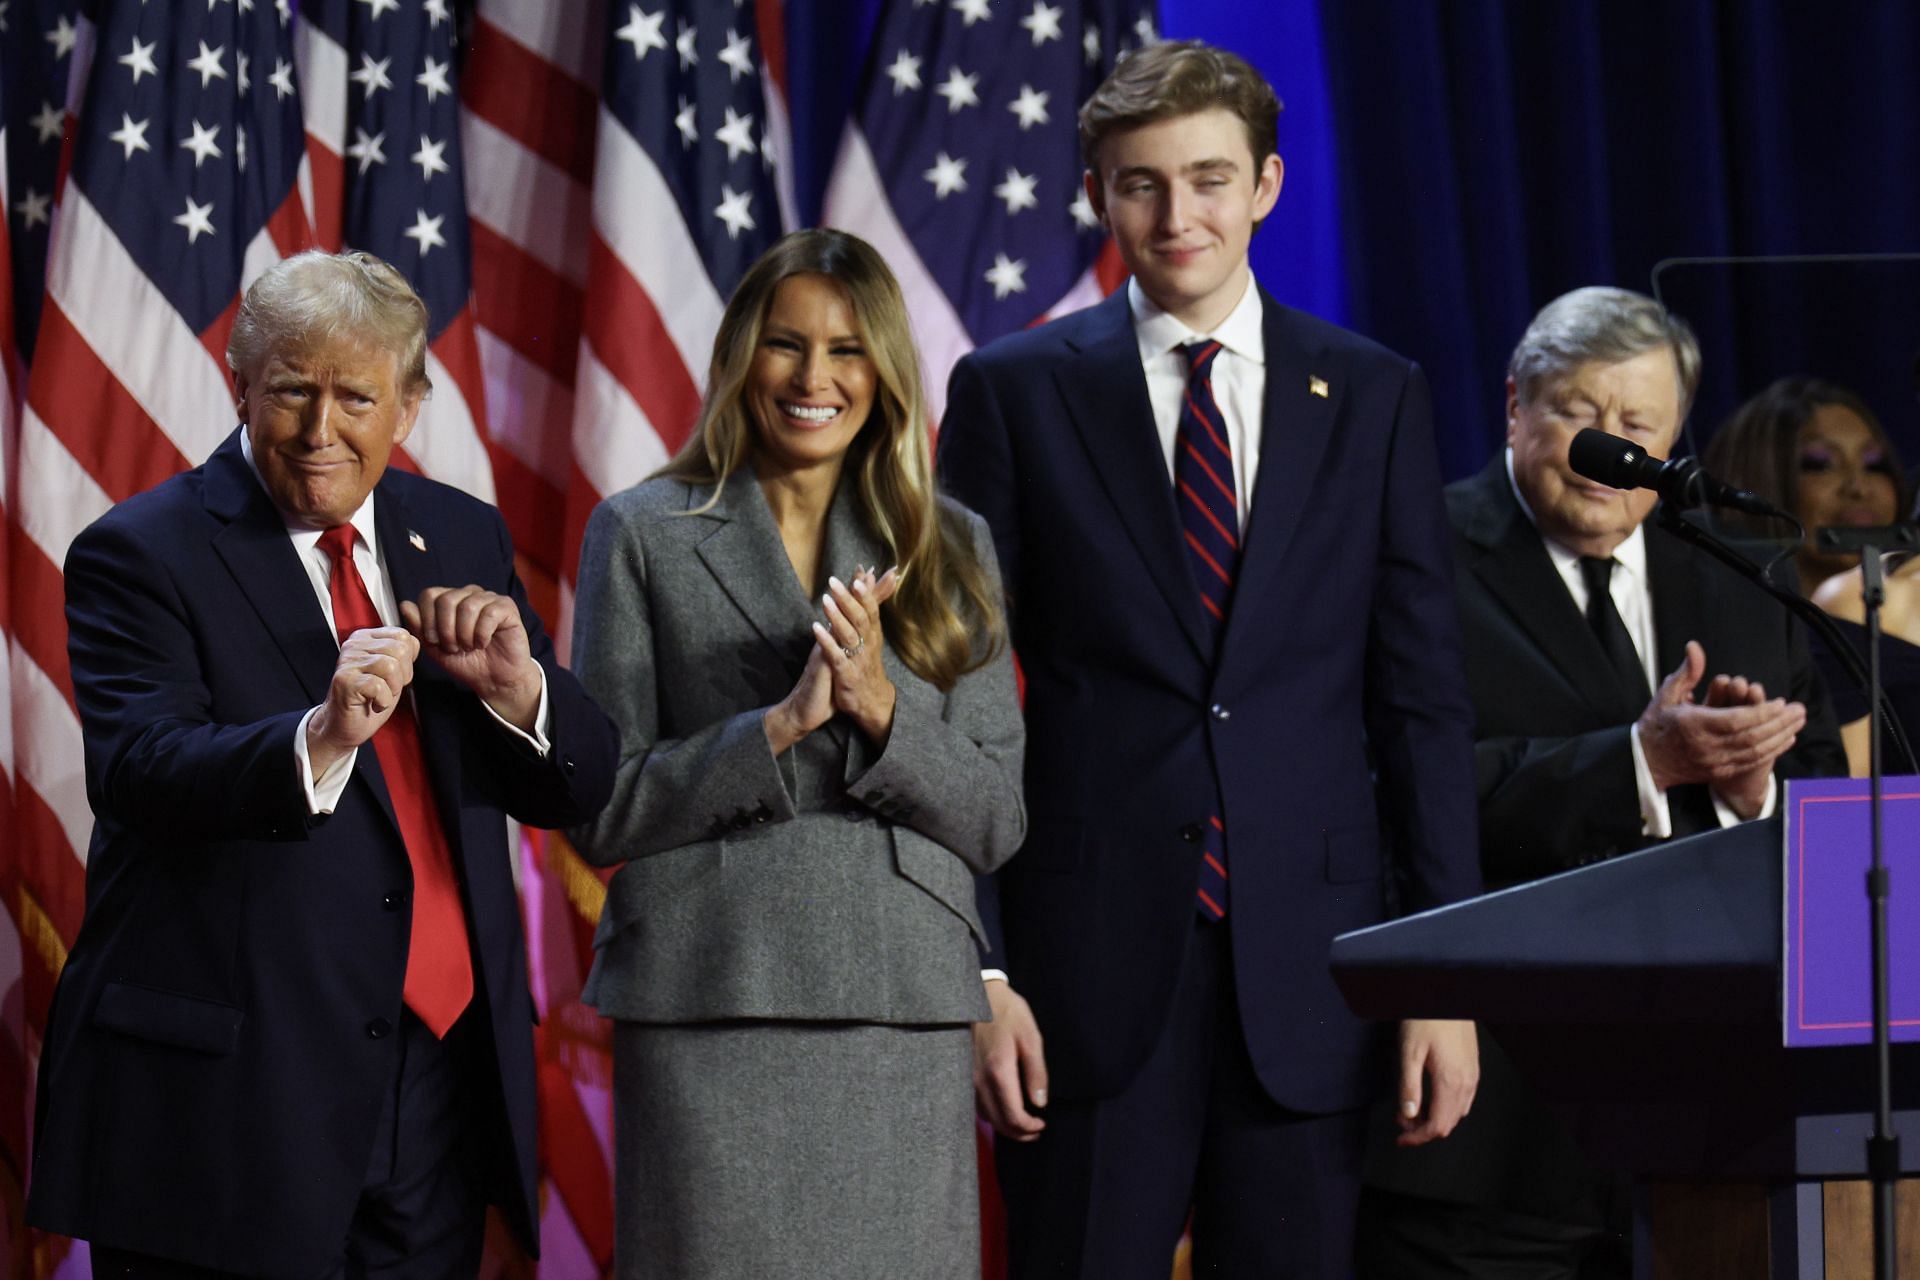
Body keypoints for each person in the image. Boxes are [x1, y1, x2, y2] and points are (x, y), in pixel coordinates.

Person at [937, 40, 1482, 1279]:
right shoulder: (1012, 391)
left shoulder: (1375, 390)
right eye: (1141, 183)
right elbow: (951, 696)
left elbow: (1421, 705)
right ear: (1097, 193)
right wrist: (980, 963)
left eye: (1209, 178)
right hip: (1080, 970)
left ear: (1268, 185)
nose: (1177, 215)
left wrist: (1440, 974)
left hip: (1317, 966)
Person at [27, 250, 619, 1274]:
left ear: (411, 405)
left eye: (355, 395)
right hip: (231, 1100)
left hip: (433, 1083)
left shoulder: (459, 534)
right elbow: (140, 767)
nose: (319, 428)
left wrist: (522, 693)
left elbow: (581, 778)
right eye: (292, 388)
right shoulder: (141, 550)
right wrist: (322, 734)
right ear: (238, 383)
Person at [1359, 288, 1847, 1277]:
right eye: (1580, 414)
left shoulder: (1742, 576)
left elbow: (1820, 802)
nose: (1607, 447)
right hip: (1490, 1127)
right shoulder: (1414, 553)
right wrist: (1638, 761)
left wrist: (1751, 784)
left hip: (1719, 1128)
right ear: (1515, 405)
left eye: (1637, 426)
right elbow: (1390, 787)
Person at [567, 228, 1025, 1278]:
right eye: (785, 343)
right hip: (711, 991)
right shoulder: (639, 531)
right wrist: (774, 728)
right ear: (740, 358)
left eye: (848, 349)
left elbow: (999, 814)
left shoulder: (951, 543)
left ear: (886, 371)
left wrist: (880, 712)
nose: (814, 377)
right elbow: (602, 807)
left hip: (899, 1006)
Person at [1704, 376, 1920, 774]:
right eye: (1821, 464)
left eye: (1875, 465)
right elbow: (1839, 819)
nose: (1859, 487)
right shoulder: (1727, 631)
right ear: (1756, 481)